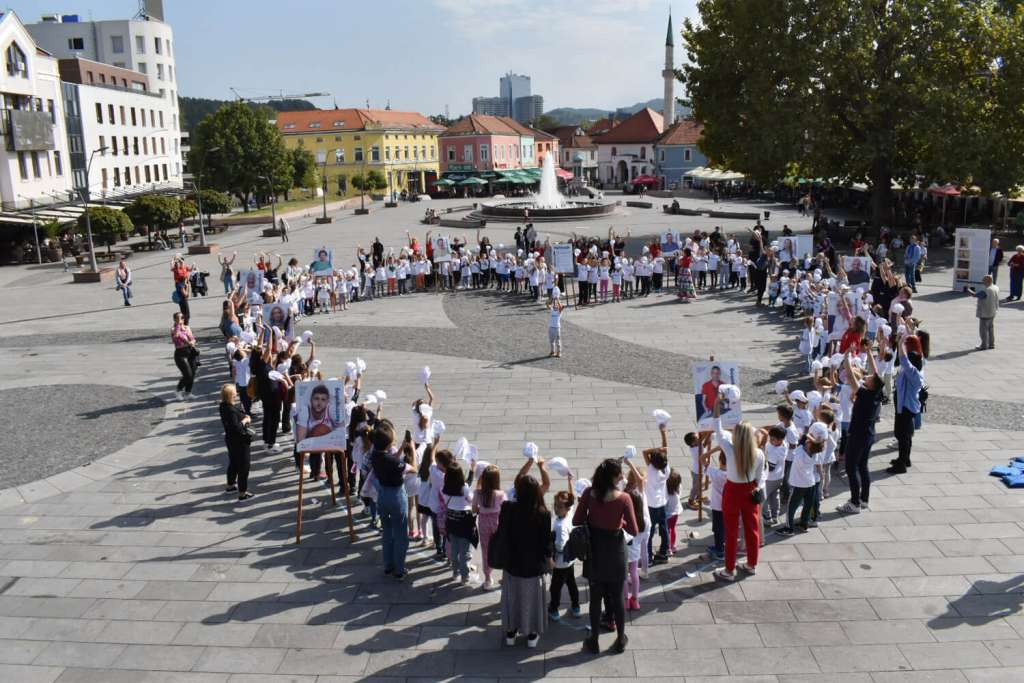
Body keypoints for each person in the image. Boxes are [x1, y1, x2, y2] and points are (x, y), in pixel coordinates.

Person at [574, 458, 638, 654]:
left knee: (595, 598)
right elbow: (634, 530)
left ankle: (593, 640)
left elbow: (577, 519)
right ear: (613, 476)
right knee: (618, 597)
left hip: (595, 552)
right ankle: (620, 640)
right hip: (616, 552)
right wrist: (620, 523)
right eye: (619, 473)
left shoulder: (588, 493)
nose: (622, 476)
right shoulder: (624, 498)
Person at [711, 397, 766, 582]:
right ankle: (752, 563)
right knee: (752, 529)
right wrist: (756, 486)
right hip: (750, 490)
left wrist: (716, 408)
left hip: (733, 491)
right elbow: (761, 477)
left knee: (731, 531)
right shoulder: (758, 453)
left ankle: (729, 569)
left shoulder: (729, 449)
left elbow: (717, 429)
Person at [498, 474, 552, 649]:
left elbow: (502, 533)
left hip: (512, 564)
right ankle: (531, 634)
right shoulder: (543, 513)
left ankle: (510, 633)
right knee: (531, 601)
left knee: (512, 598)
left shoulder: (507, 508)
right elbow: (545, 543)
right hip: (533, 567)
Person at [836, 348, 883, 514]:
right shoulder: (877, 392)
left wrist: (847, 356)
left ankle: (854, 503)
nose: (867, 376)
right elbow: (876, 372)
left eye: (868, 378)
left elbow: (849, 375)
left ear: (870, 384)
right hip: (869, 435)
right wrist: (869, 353)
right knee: (863, 466)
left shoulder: (863, 394)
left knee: (851, 468)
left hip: (857, 435)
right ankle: (864, 499)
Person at [369, 420, 413, 580]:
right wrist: (411, 449)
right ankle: (399, 569)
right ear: (388, 444)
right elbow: (412, 468)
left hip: (382, 496)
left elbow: (390, 458)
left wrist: (401, 447)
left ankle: (388, 565)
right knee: (401, 534)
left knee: (387, 532)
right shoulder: (395, 462)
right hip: (396, 496)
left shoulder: (375, 455)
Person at [886, 333, 924, 475]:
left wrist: (901, 342)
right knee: (905, 435)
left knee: (903, 436)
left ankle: (901, 464)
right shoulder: (916, 369)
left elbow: (903, 359)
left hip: (906, 407)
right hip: (906, 406)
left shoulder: (913, 372)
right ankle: (905, 459)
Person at [219, 384, 254, 500]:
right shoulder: (230, 409)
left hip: (231, 440)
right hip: (239, 441)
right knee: (244, 466)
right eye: (234, 393)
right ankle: (242, 493)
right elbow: (237, 427)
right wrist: (245, 420)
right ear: (230, 395)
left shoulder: (223, 406)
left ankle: (230, 486)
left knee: (233, 463)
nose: (236, 394)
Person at [967, 274, 999, 351]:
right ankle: (991, 344)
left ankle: (984, 345)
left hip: (985, 312)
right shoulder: (996, 287)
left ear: (988, 281)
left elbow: (975, 295)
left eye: (983, 280)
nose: (982, 281)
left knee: (983, 330)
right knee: (991, 329)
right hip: (993, 311)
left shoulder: (986, 290)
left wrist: (968, 289)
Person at [171, 312, 198, 400]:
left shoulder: (187, 328)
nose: (181, 319)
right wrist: (178, 325)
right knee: (187, 374)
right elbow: (176, 338)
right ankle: (178, 390)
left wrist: (192, 342)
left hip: (190, 353)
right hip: (180, 354)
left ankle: (188, 392)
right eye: (179, 318)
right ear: (175, 320)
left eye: (182, 317)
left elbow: (193, 339)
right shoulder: (173, 329)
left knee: (193, 373)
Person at [171, 256, 191, 324]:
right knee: (187, 315)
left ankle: (181, 325)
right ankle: (184, 326)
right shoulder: (181, 285)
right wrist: (187, 287)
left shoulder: (177, 283)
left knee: (183, 314)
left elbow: (175, 264)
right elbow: (186, 295)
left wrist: (175, 259)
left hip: (181, 301)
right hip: (183, 300)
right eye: (186, 277)